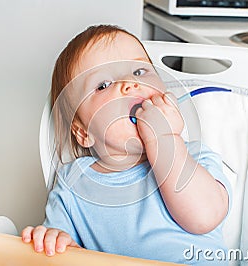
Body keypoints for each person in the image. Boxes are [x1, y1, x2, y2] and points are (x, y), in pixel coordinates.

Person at [22, 24, 231, 265]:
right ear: (83, 132)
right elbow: (58, 254)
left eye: (140, 72)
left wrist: (165, 140)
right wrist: (56, 241)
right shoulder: (73, 184)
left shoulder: (194, 157)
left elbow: (204, 217)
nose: (129, 84)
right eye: (103, 85)